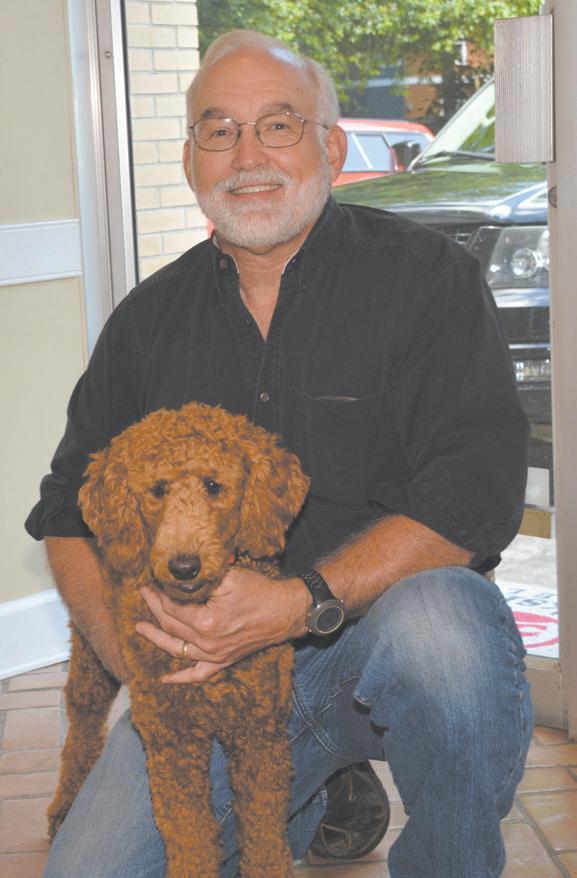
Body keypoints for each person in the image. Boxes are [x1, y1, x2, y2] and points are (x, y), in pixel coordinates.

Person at [27, 30, 533, 878]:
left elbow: (472, 496)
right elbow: (64, 511)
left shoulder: (426, 280)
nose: (248, 156)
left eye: (277, 125)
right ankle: (329, 789)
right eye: (219, 130)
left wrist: (299, 602)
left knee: (447, 627)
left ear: (329, 148)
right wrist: (139, 662)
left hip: (376, 641)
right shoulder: (146, 322)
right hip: (206, 678)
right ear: (190, 161)